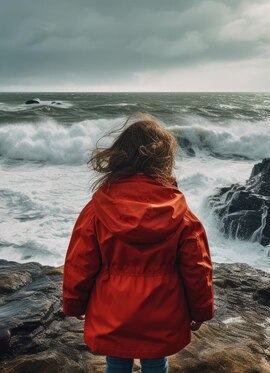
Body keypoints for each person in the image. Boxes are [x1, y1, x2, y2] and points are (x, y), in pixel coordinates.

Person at [62, 113, 214, 373]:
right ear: (164, 160)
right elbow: (197, 268)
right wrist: (201, 311)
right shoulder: (181, 212)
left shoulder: (97, 209)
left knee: (116, 361)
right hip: (162, 311)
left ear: (120, 156)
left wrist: (74, 303)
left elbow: (80, 263)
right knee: (156, 362)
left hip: (112, 310)